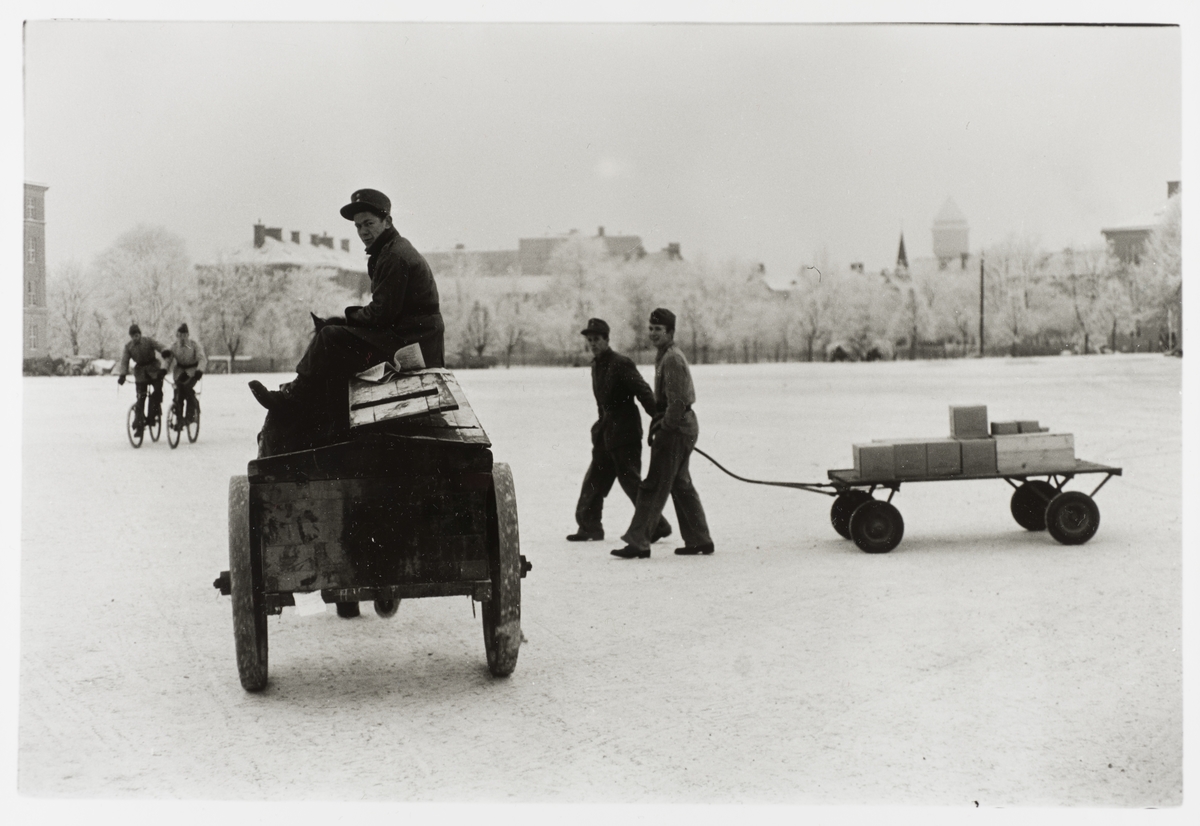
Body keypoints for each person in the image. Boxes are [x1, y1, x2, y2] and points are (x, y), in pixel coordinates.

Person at [248, 188, 445, 411]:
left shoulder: (393, 256)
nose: (363, 232)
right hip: (415, 340)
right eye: (358, 226)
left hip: (411, 345)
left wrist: (347, 317)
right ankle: (325, 409)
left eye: (369, 223)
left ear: (387, 222)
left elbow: (381, 315)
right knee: (336, 335)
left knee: (329, 336)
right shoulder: (391, 251)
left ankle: (292, 399)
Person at [611, 308, 714, 559]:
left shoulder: (672, 359)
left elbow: (677, 402)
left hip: (677, 428)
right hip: (682, 426)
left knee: (653, 485)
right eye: (651, 328)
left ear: (670, 332)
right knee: (680, 484)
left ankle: (639, 542)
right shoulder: (666, 355)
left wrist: (665, 429)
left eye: (658, 329)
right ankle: (699, 539)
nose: (653, 333)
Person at [567, 318, 672, 544]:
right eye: (590, 340)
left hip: (625, 434)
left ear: (607, 339)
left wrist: (660, 420)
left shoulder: (621, 363)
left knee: (630, 481)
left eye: (597, 339)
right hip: (605, 433)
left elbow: (643, 392)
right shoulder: (596, 365)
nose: (593, 344)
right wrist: (599, 428)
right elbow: (601, 402)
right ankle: (589, 527)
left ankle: (657, 525)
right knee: (594, 479)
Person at [116, 324, 168, 437]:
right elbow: (124, 361)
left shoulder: (148, 341)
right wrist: (122, 375)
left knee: (157, 391)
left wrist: (164, 351)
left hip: (154, 369)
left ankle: (154, 412)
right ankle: (139, 425)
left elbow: (160, 346)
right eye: (133, 336)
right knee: (140, 398)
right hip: (140, 373)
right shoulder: (128, 347)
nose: (135, 338)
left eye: (137, 335)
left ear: (140, 334)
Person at [166, 323, 207, 430]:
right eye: (180, 335)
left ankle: (190, 415)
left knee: (187, 388)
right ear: (177, 335)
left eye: (184, 335)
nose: (182, 338)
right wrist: (163, 370)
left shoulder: (194, 345)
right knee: (178, 392)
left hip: (192, 372)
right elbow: (168, 360)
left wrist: (199, 370)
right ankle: (179, 418)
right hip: (180, 372)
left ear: (188, 335)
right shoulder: (174, 347)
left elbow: (202, 358)